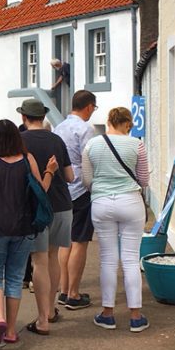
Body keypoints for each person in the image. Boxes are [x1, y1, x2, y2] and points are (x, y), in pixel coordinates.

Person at [0, 119, 58, 347]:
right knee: (15, 277)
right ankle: (10, 330)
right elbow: (41, 190)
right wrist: (50, 171)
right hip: (22, 226)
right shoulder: (27, 160)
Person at [83, 107, 151, 332]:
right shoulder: (137, 145)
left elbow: (87, 180)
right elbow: (143, 179)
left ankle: (108, 314)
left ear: (109, 121)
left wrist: (103, 189)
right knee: (131, 259)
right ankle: (136, 316)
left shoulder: (92, 144)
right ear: (127, 123)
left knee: (108, 259)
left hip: (102, 203)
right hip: (131, 202)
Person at [17, 99, 76, 336]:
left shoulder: (19, 142)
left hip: (35, 209)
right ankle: (50, 310)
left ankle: (43, 318)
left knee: (38, 261)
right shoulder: (57, 140)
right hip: (62, 205)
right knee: (53, 258)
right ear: (43, 117)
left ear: (23, 118)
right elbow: (71, 176)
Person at [53, 90, 98, 311]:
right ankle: (73, 293)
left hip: (62, 189)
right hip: (81, 188)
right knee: (80, 241)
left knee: (65, 241)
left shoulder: (59, 127)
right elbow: (90, 160)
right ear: (89, 107)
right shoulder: (85, 129)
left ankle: (63, 290)